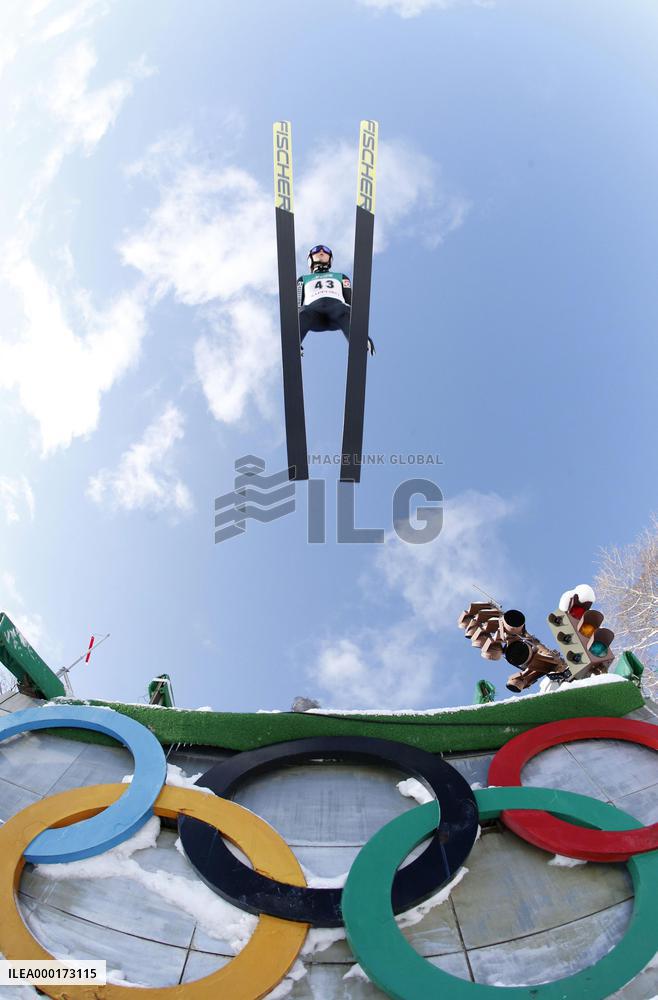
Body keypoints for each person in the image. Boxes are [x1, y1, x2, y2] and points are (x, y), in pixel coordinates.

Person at [297, 245, 375, 356]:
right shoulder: (303, 279)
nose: (321, 251)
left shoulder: (341, 277)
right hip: (313, 313)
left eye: (326, 251)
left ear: (330, 259)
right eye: (316, 251)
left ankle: (359, 340)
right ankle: (294, 343)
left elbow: (350, 301)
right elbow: (297, 303)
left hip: (337, 311)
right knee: (303, 312)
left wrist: (361, 329)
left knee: (345, 310)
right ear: (310, 259)